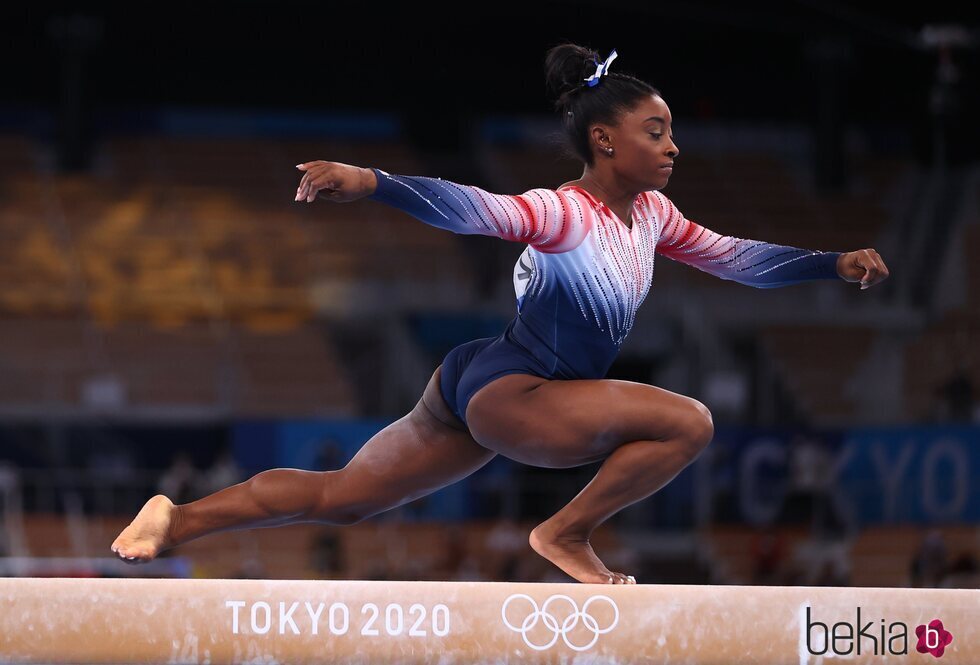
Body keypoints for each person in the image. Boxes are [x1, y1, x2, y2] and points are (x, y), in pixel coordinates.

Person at [111, 43, 890, 585]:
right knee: (689, 422)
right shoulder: (562, 212)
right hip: (517, 392)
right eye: (656, 132)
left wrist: (831, 262)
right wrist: (370, 180)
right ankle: (565, 530)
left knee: (341, 499)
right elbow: (471, 206)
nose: (672, 146)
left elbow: (735, 257)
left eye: (673, 132)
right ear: (603, 140)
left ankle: (175, 521)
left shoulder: (653, 215)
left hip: (482, 382)